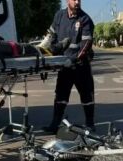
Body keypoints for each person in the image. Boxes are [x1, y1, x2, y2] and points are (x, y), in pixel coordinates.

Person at [42, 0, 95, 134]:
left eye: (79, 0)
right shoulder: (59, 16)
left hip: (80, 66)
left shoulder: (85, 19)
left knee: (87, 96)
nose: (77, 2)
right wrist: (47, 50)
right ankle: (55, 124)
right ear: (67, 1)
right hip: (64, 66)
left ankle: (90, 124)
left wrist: (74, 59)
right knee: (60, 96)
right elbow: (51, 36)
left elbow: (85, 45)